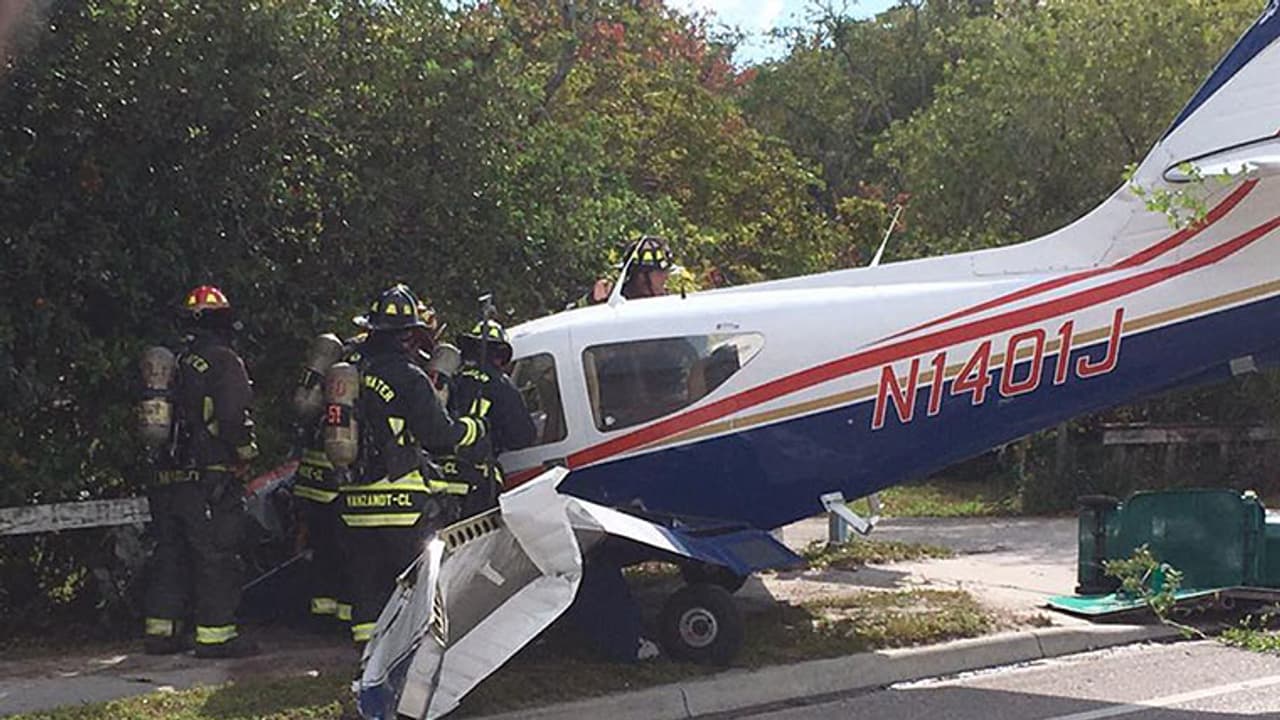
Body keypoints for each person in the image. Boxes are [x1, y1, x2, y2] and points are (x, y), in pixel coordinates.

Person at [338, 284, 487, 645]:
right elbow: (438, 434)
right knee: (416, 583)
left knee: (366, 589)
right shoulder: (408, 375)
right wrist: (472, 429)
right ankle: (414, 648)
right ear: (407, 335)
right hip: (401, 500)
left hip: (354, 499)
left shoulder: (351, 370)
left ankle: (366, 654)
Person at [143, 285, 260, 658]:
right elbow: (232, 418)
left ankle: (162, 632)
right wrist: (245, 453)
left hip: (165, 477)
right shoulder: (223, 361)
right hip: (209, 478)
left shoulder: (173, 362)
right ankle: (216, 636)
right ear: (225, 320)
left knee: (168, 554)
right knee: (215, 555)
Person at [442, 320, 537, 518]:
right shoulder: (501, 386)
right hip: (478, 483)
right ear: (500, 356)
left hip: (439, 482)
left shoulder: (450, 381)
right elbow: (523, 436)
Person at [572, 235, 675, 307]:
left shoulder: (667, 304)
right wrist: (592, 299)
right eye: (660, 272)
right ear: (641, 276)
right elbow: (571, 317)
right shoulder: (616, 303)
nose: (666, 276)